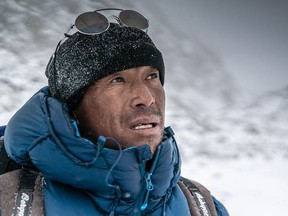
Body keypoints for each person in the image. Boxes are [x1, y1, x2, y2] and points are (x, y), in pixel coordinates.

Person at [0, 8, 229, 216]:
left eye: (152, 77)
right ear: (73, 107)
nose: (146, 98)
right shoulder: (9, 200)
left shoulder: (202, 205)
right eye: (117, 80)